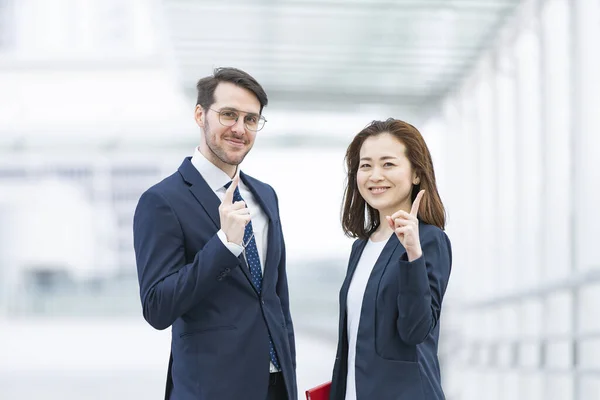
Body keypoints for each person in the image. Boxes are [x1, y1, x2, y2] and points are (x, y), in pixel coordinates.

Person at [133, 67, 297, 400]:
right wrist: (224, 245)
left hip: (277, 386)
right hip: (211, 388)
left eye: (251, 119)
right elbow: (157, 307)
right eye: (229, 115)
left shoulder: (266, 196)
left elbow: (277, 299)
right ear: (200, 115)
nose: (240, 128)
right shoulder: (162, 201)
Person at [329, 118, 452, 400]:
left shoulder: (429, 240)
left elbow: (416, 330)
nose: (375, 175)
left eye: (388, 164)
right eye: (365, 165)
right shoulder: (361, 247)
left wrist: (413, 254)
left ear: (416, 174)